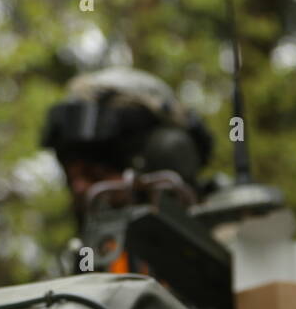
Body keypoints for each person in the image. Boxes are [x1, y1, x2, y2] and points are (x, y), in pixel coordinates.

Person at [40, 67, 213, 233]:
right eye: (72, 179)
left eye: (96, 174)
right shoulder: (96, 255)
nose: (80, 189)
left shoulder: (230, 235)